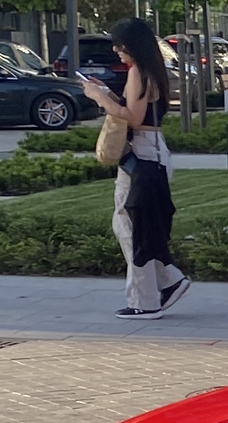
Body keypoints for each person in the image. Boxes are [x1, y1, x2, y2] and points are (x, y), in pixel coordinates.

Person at [78, 18, 190, 318]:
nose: (116, 50)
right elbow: (137, 110)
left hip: (142, 154)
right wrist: (110, 94)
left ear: (133, 46)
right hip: (149, 152)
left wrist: (100, 98)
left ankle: (147, 299)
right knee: (137, 226)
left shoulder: (139, 72)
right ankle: (167, 281)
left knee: (130, 227)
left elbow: (133, 117)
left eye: (120, 45)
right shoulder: (151, 71)